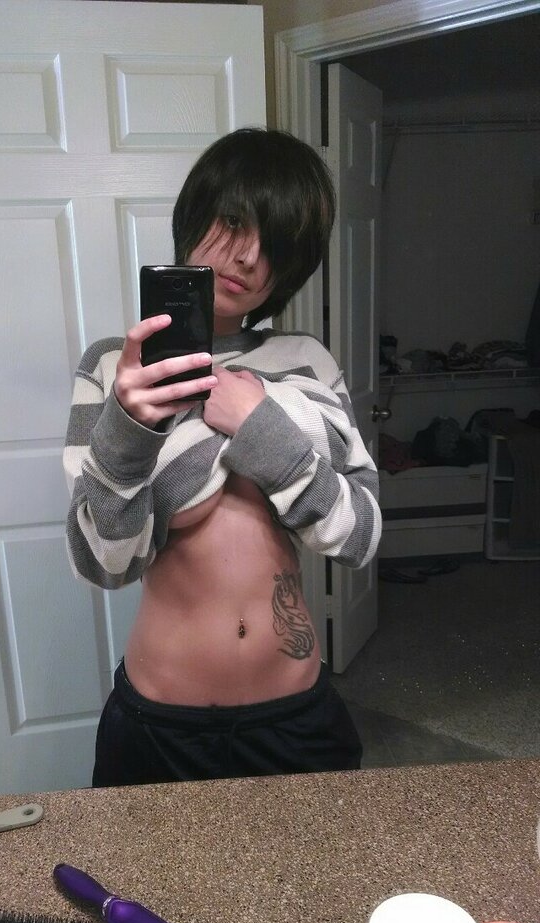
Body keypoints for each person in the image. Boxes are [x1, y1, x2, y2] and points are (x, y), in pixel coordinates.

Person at [64, 128, 382, 787]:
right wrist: (129, 428)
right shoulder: (115, 369)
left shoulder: (306, 365)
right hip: (160, 724)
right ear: (195, 214)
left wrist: (259, 425)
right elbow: (103, 563)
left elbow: (361, 536)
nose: (249, 257)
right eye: (235, 221)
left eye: (277, 245)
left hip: (294, 716)